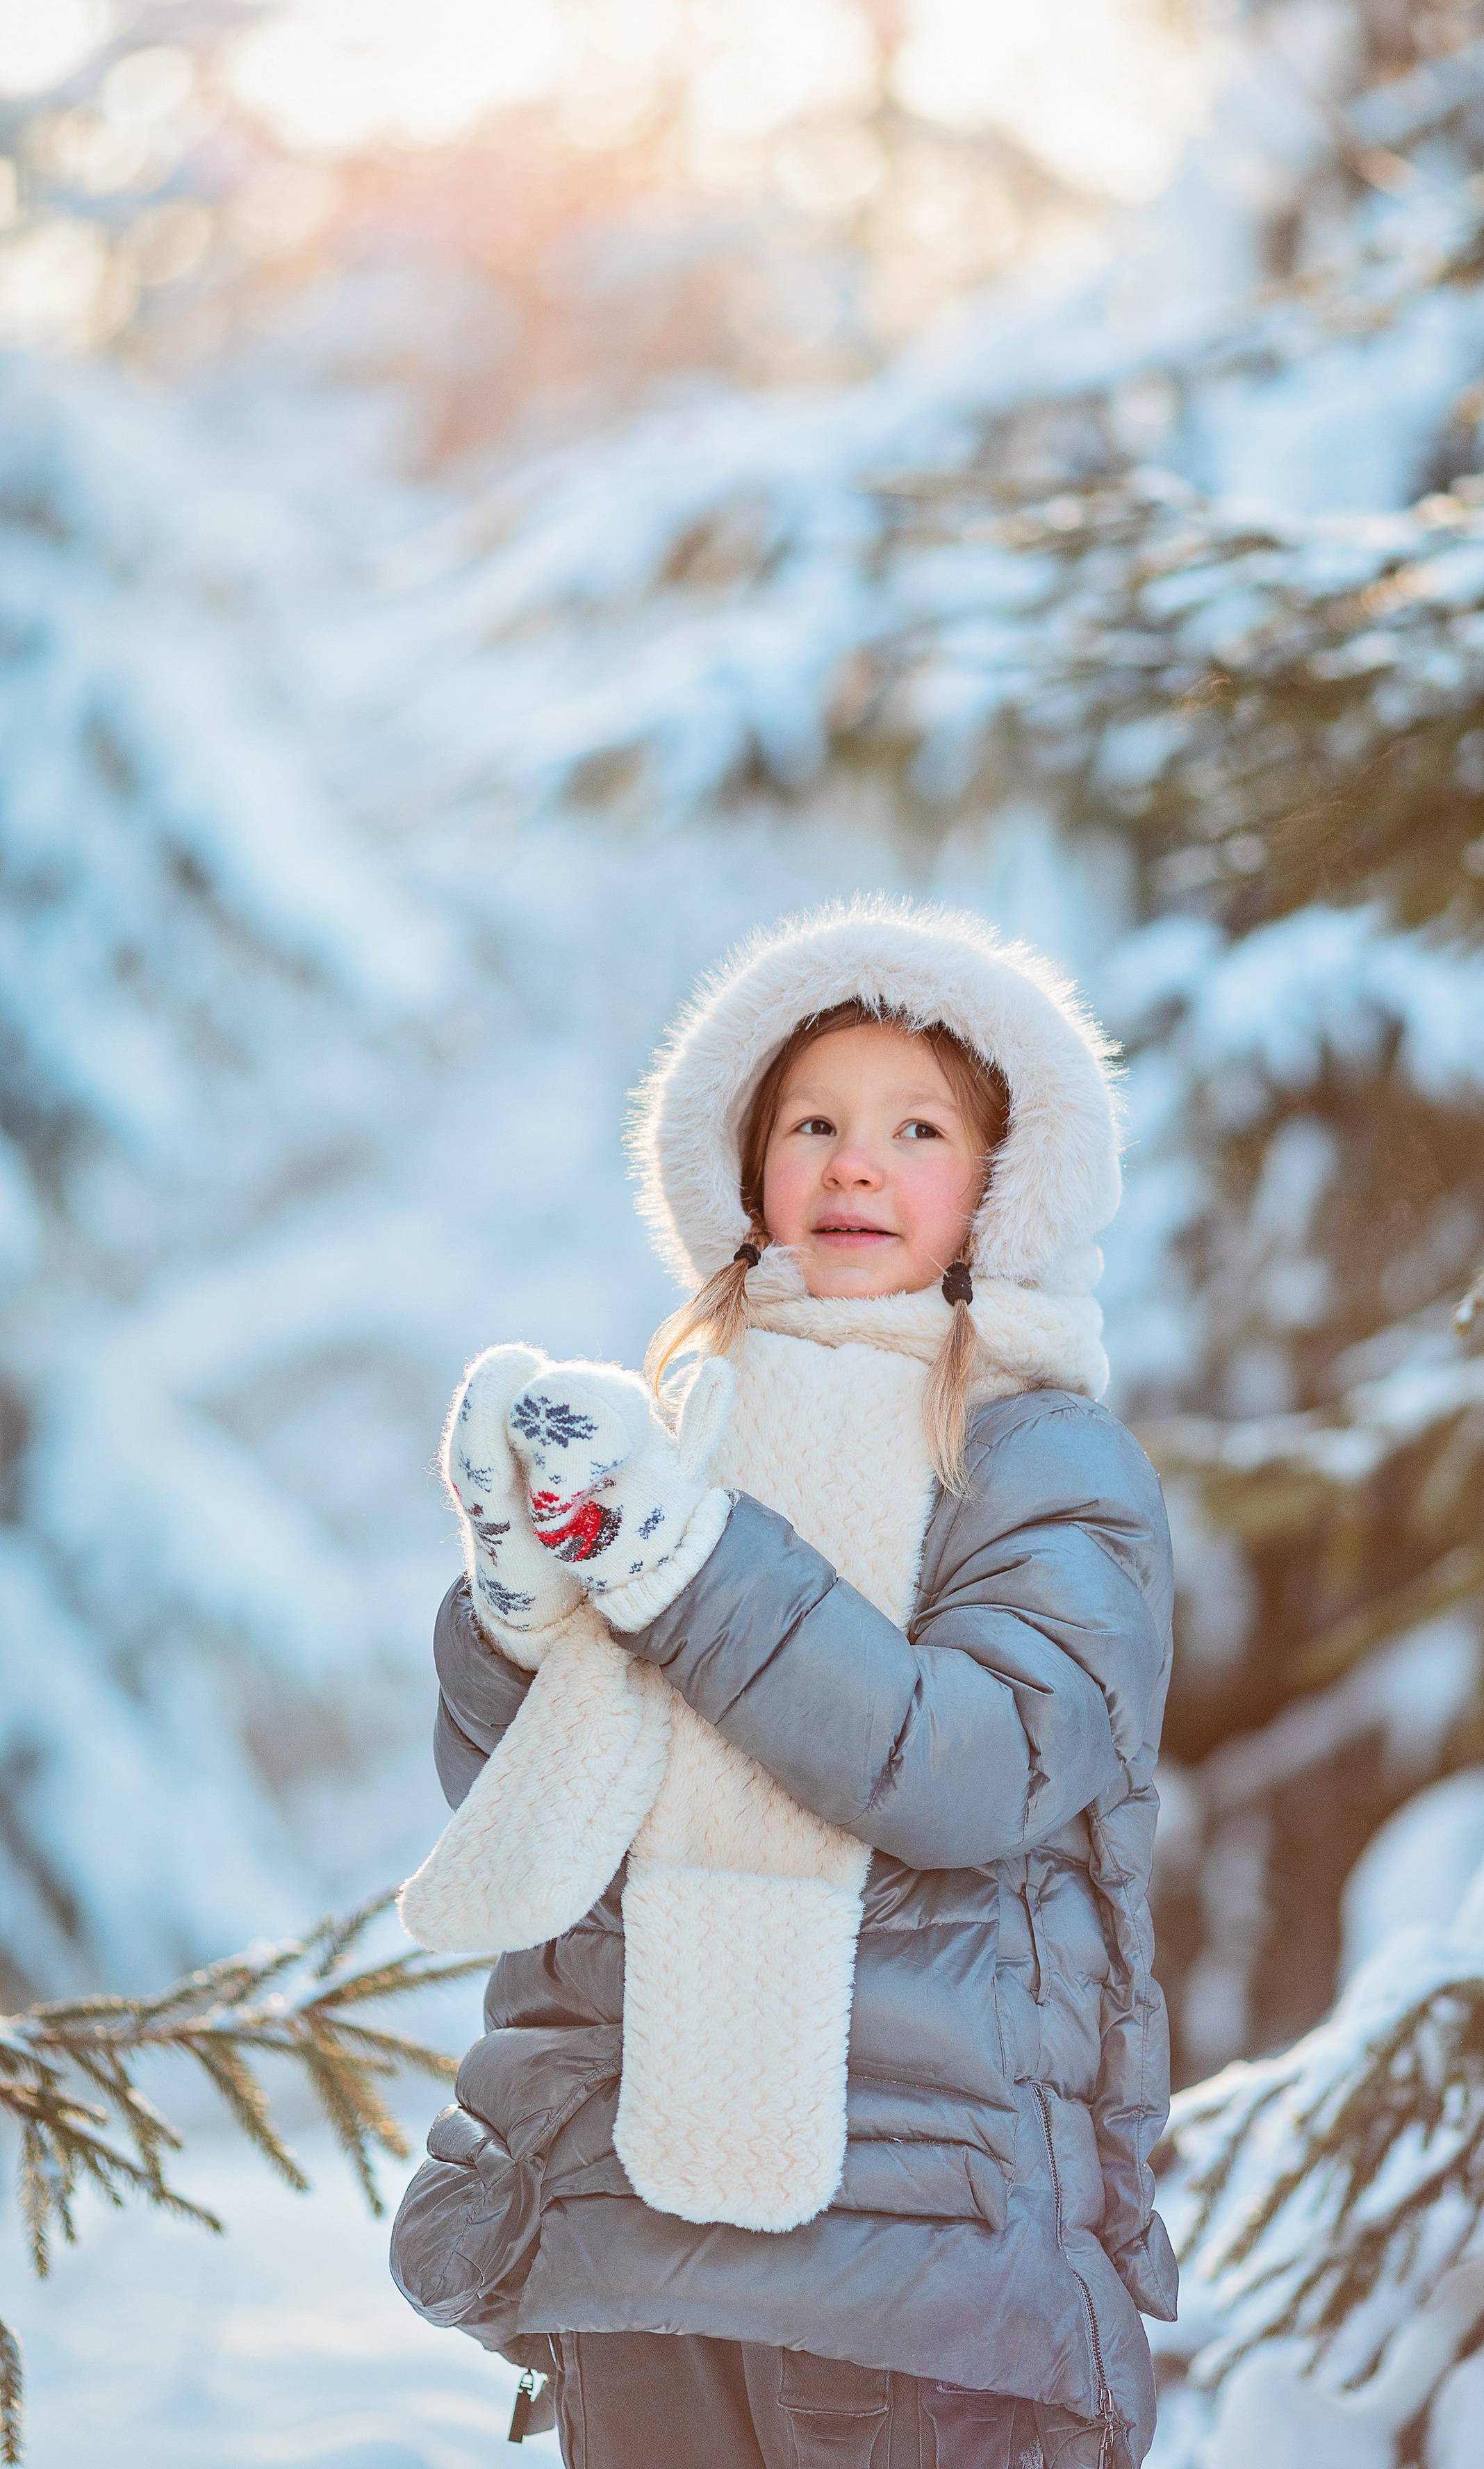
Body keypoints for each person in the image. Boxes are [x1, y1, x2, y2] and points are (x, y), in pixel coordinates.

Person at [390, 900, 1178, 2469]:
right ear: (746, 1173)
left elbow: (971, 1769)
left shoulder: (1046, 1467)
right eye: (813, 1124)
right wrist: (520, 1620)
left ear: (1002, 1187)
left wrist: (685, 1569)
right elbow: (531, 1819)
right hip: (625, 2225)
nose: (854, 1165)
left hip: (913, 2256)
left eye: (915, 1129)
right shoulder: (672, 1438)